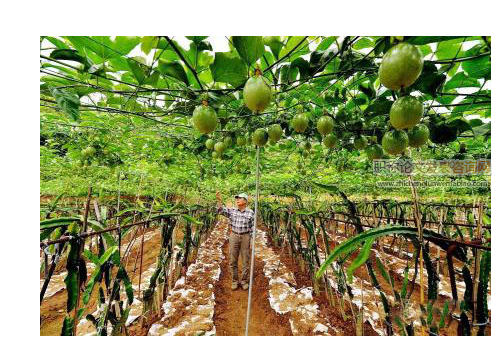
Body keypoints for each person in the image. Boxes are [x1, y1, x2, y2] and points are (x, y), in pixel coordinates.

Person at [216, 191, 255, 291]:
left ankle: (244, 281)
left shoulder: (250, 213)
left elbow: (252, 227)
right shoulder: (232, 211)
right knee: (233, 259)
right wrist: (219, 200)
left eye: (240, 198)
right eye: (237, 198)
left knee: (245, 259)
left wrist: (252, 238)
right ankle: (234, 281)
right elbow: (220, 210)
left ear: (245, 201)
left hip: (245, 236)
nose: (237, 200)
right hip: (234, 235)